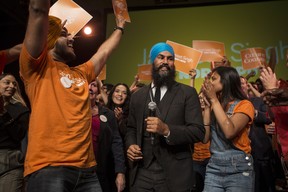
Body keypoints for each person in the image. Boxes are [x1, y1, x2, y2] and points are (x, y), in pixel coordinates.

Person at [19, 0, 126, 191]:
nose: (71, 39)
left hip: (87, 172)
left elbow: (105, 51)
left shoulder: (81, 73)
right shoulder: (36, 67)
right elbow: (37, 11)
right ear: (48, 39)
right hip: (49, 167)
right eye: (64, 34)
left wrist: (119, 27)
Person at [126, 42, 205, 192]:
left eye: (170, 59)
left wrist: (167, 130)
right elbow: (131, 128)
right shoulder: (138, 96)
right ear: (152, 61)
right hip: (142, 171)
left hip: (174, 173)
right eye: (160, 57)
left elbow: (198, 131)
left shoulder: (187, 93)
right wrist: (130, 145)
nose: (165, 62)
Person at [201, 66, 255, 192]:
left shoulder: (245, 105)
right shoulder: (215, 105)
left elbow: (229, 132)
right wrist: (208, 109)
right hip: (214, 167)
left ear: (225, 81)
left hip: (238, 168)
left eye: (214, 79)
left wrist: (214, 100)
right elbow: (204, 138)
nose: (210, 82)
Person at [89, 80, 126, 192]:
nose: (90, 88)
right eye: (87, 84)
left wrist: (120, 172)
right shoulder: (71, 110)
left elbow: (116, 142)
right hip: (73, 169)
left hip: (99, 171)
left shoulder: (108, 114)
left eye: (94, 85)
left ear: (98, 91)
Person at [240, 76, 276, 192]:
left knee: (266, 187)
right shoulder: (231, 105)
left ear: (247, 86)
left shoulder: (257, 101)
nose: (241, 86)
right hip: (240, 156)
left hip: (261, 154)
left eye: (243, 83)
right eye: (238, 83)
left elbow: (269, 117)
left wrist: (254, 113)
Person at [0, 73, 30, 192]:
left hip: (10, 162)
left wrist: (3, 113)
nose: (12, 86)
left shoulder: (21, 110)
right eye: (7, 82)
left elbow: (18, 135)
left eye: (14, 84)